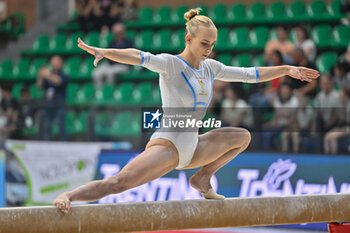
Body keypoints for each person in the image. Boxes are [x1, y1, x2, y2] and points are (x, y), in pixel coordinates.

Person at [53, 8, 319, 214]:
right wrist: (105, 51)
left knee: (242, 137)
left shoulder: (211, 68)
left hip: (193, 145)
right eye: (204, 44)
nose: (209, 50)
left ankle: (203, 177)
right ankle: (69, 195)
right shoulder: (171, 64)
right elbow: (138, 56)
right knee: (119, 183)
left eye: (212, 45)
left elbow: (251, 74)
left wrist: (286, 69)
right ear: (189, 39)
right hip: (169, 144)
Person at [36, 55, 69, 141]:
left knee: (61, 127)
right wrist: (40, 74)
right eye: (53, 62)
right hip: (47, 105)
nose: (54, 64)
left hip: (59, 106)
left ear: (61, 64)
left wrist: (47, 74)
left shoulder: (64, 76)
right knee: (46, 128)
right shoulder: (48, 77)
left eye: (56, 62)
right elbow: (39, 85)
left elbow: (58, 81)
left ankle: (64, 146)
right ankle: (47, 147)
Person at [92, 23, 133, 89]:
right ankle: (99, 93)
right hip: (111, 64)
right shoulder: (112, 43)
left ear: (123, 32)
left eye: (119, 32)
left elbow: (130, 57)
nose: (117, 34)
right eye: (116, 33)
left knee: (110, 73)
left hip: (123, 64)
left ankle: (109, 92)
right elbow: (107, 55)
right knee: (96, 73)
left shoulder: (129, 43)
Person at [323, 88, 350, 154]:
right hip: (342, 126)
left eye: (341, 96)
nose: (340, 98)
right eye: (339, 96)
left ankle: (334, 157)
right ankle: (327, 156)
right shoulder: (339, 105)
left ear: (346, 96)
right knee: (326, 136)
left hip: (348, 127)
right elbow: (340, 119)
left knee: (333, 137)